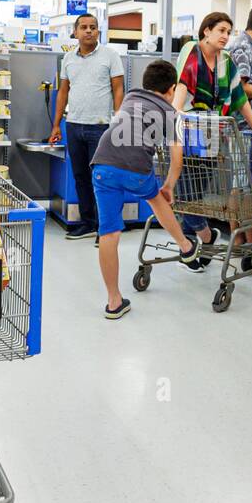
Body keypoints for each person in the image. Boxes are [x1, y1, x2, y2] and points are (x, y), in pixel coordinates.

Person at [91, 60, 205, 319]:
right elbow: (178, 155)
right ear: (172, 89)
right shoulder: (171, 113)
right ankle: (186, 247)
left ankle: (113, 302)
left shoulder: (131, 95)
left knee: (109, 233)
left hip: (102, 162)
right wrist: (169, 185)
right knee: (156, 198)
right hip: (135, 167)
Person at [173, 12, 252, 249]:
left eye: (229, 32)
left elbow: (239, 97)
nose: (225, 36)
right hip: (189, 130)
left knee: (197, 192)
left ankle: (192, 247)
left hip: (212, 131)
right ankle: (204, 237)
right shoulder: (192, 50)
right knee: (185, 194)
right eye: (221, 30)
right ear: (206, 30)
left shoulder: (226, 60)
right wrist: (176, 111)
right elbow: (183, 83)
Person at [48, 13, 125, 240]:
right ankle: (88, 222)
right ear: (76, 32)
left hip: (101, 127)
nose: (89, 31)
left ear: (98, 31)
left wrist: (118, 120)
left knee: (101, 179)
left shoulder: (110, 55)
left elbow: (119, 89)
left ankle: (107, 228)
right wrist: (56, 125)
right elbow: (63, 92)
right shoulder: (68, 59)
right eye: (84, 27)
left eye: (93, 27)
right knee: (80, 176)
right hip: (73, 125)